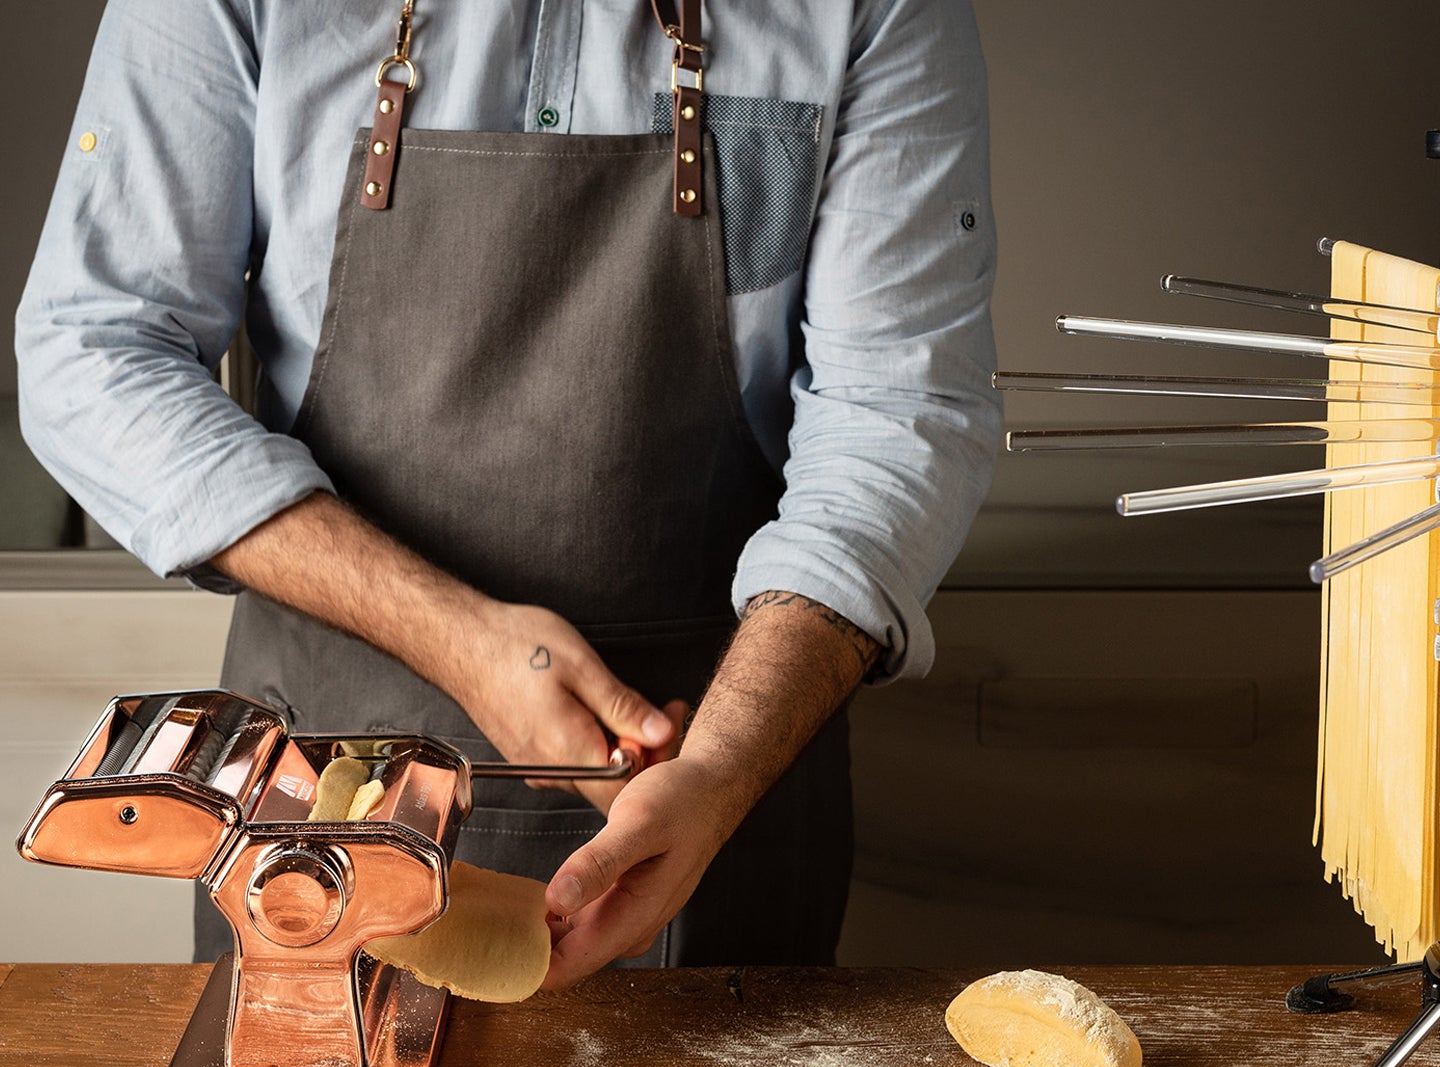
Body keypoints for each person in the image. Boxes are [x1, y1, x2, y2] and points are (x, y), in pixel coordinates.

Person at [17, 0, 1000, 987]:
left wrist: (718, 767)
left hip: (714, 806)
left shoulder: (876, 11)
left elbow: (897, 412)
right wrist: (454, 635)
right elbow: (94, 346)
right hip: (328, 810)